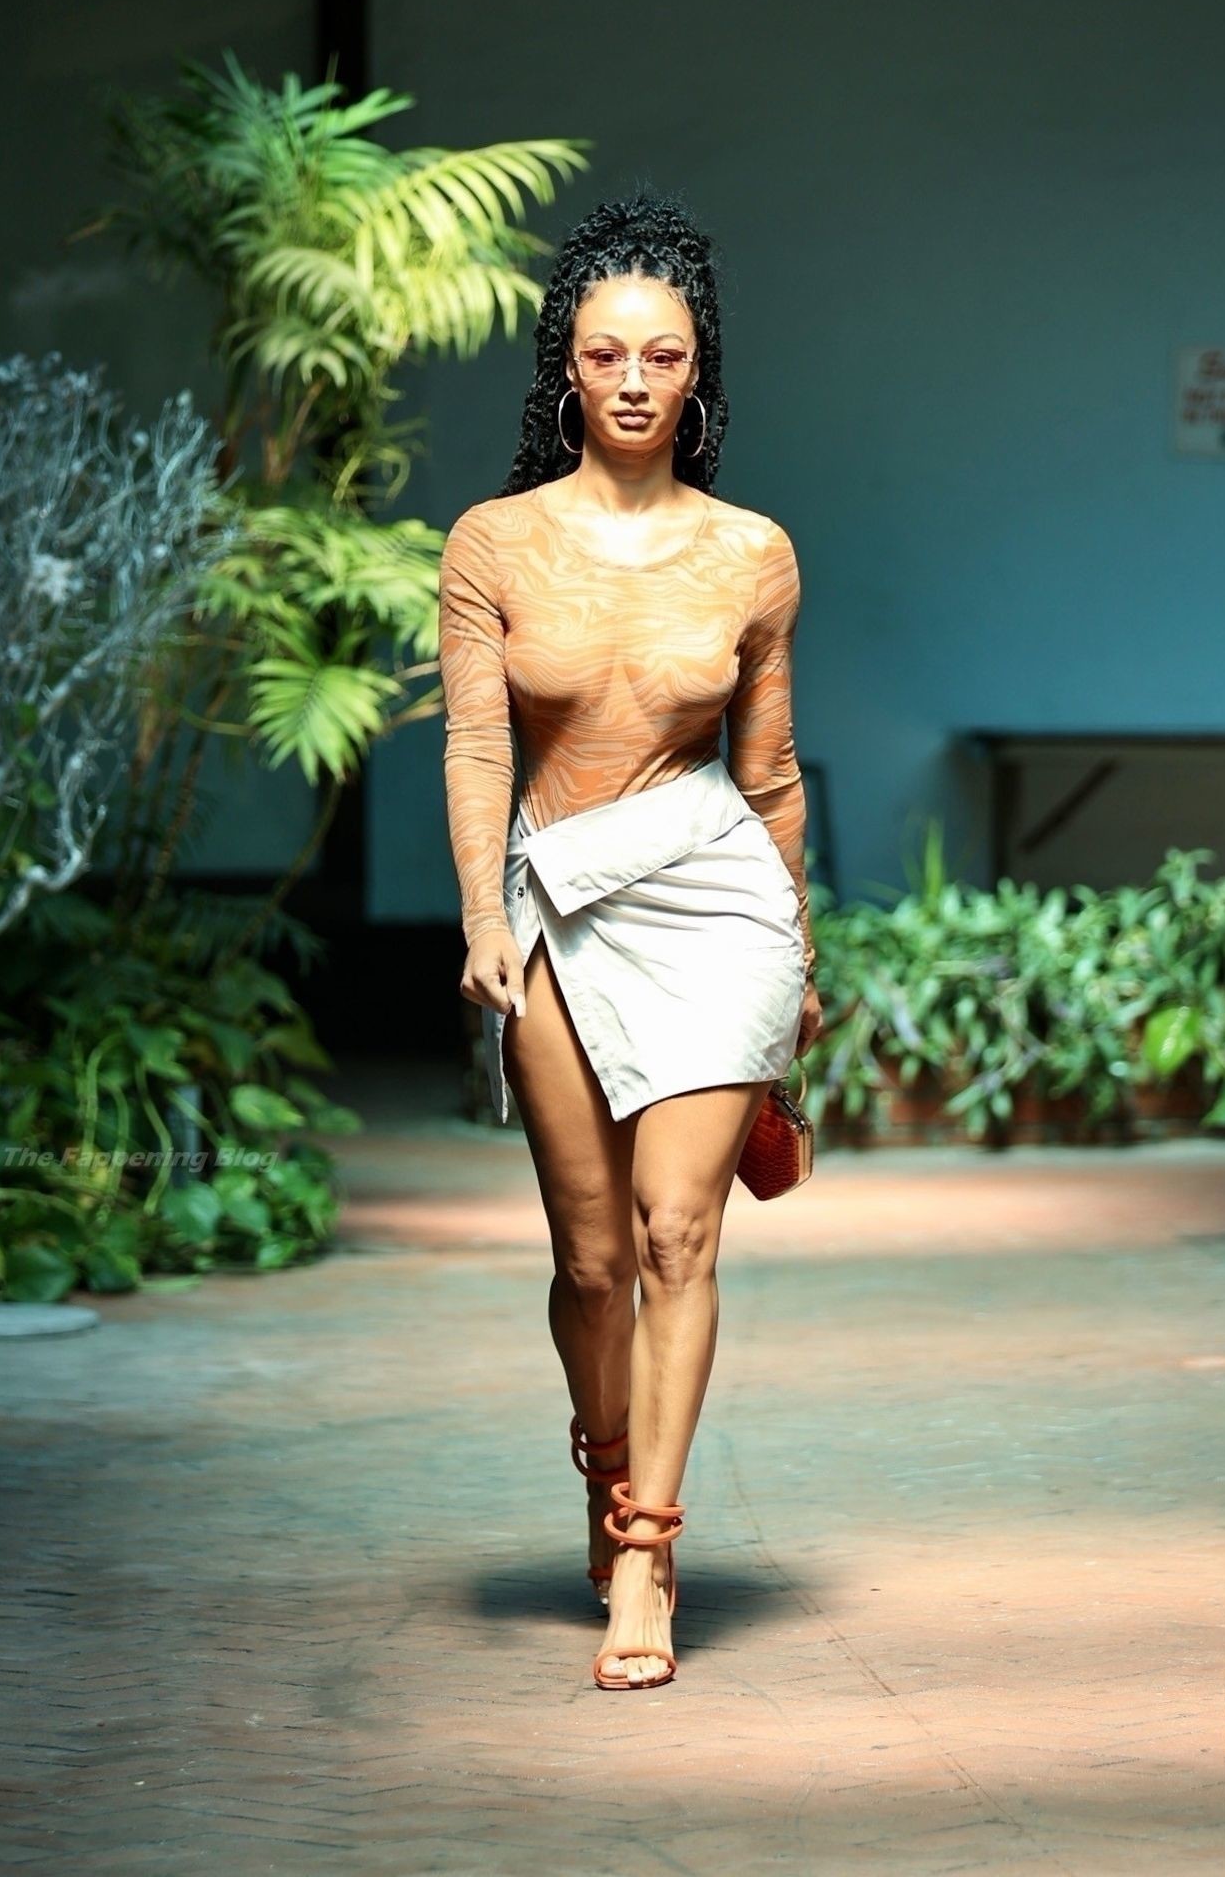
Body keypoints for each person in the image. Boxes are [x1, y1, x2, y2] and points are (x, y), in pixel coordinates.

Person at [437, 188, 821, 1691]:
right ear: (568, 369)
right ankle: (606, 1468)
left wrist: (799, 954)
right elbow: (478, 746)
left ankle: (650, 1551)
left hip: (714, 894)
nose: (637, 381)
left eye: (665, 355)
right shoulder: (493, 543)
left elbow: (770, 775)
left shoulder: (752, 554)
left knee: (678, 1233)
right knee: (594, 1261)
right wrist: (483, 916)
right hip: (554, 899)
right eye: (607, 354)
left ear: (698, 369)